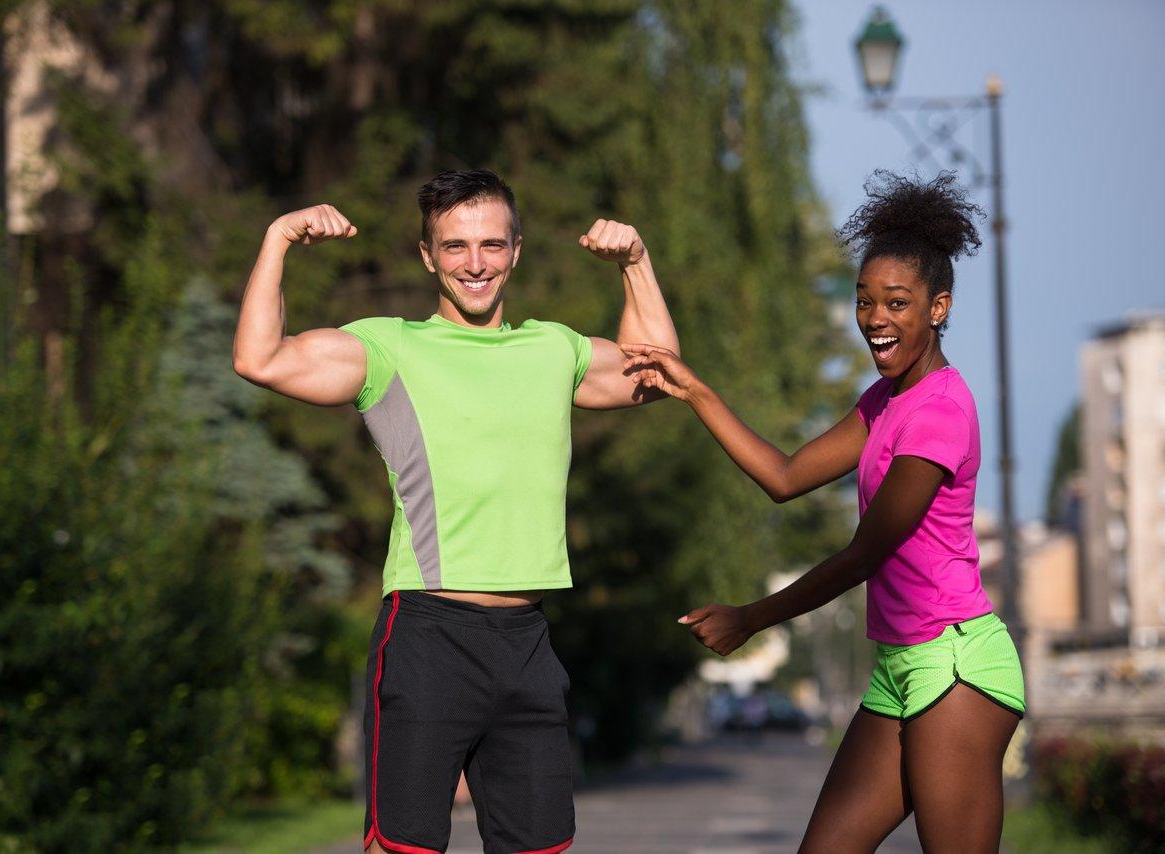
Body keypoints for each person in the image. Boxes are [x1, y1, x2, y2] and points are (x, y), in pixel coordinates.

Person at [232, 169, 677, 854]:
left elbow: (659, 374)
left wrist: (635, 264)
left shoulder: (553, 348)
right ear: (427, 255)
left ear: (516, 251)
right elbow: (259, 358)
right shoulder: (388, 348)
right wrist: (278, 238)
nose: (475, 263)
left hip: (528, 643)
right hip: (428, 637)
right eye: (456, 246)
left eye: (492, 245)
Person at [622, 171, 1025, 853]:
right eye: (865, 301)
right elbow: (783, 476)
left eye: (896, 302)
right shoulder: (884, 401)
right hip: (901, 667)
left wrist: (753, 618)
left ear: (939, 307)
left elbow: (866, 554)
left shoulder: (940, 413)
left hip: (957, 668)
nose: (875, 318)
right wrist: (697, 393)